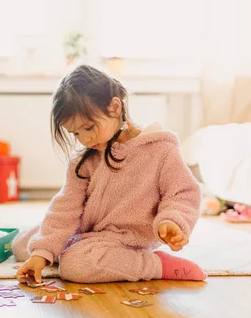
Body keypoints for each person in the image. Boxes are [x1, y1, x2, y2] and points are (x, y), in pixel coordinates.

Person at [13, 64, 207, 284]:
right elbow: (66, 205)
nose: (84, 139)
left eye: (88, 128)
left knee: (77, 266)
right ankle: (68, 249)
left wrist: (171, 222)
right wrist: (42, 252)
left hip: (126, 240)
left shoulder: (160, 149)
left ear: (114, 107)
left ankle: (156, 264)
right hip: (88, 231)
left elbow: (183, 193)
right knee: (23, 245)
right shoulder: (84, 159)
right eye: (75, 133)